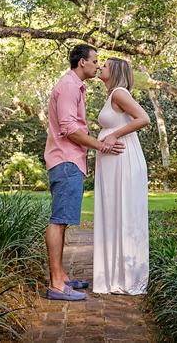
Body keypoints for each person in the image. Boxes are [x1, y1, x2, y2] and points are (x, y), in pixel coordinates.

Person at [44, 44, 126, 301]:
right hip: (66, 160)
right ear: (82, 63)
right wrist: (101, 145)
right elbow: (69, 127)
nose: (98, 65)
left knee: (63, 219)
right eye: (95, 61)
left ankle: (62, 276)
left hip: (69, 161)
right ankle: (56, 284)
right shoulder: (69, 86)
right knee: (59, 220)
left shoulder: (74, 86)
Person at [93, 57, 151, 295]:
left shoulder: (119, 92)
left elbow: (144, 118)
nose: (99, 67)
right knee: (114, 212)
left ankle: (129, 278)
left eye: (103, 65)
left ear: (114, 71)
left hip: (123, 159)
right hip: (113, 162)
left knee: (124, 211)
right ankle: (114, 276)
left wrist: (114, 135)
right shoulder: (113, 95)